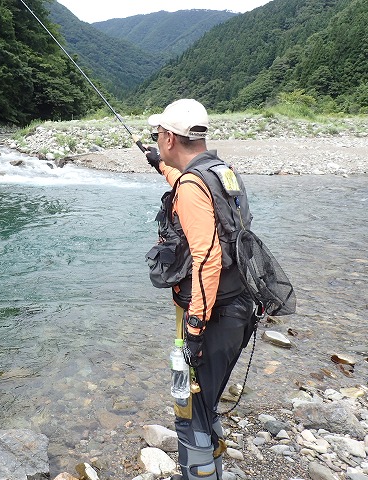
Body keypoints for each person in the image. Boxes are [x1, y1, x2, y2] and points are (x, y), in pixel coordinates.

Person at [144, 99, 257, 480]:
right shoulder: (221, 172)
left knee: (189, 409)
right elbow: (192, 188)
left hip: (213, 315)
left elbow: (207, 260)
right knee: (204, 403)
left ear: (170, 137)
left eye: (158, 137)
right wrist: (160, 166)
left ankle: (199, 473)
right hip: (239, 307)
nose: (157, 141)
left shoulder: (193, 186)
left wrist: (193, 330)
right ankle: (212, 470)